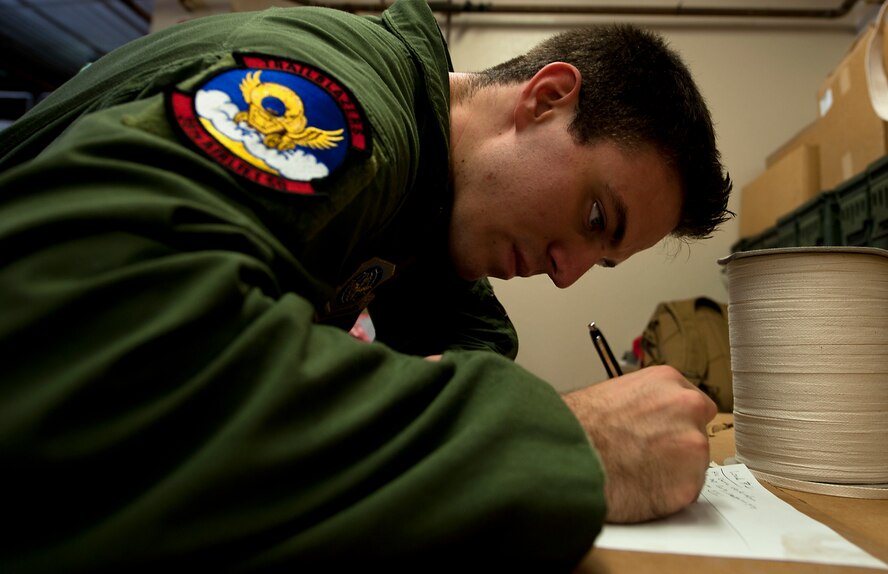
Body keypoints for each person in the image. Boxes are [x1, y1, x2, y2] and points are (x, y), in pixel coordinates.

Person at [0, 0, 732, 570]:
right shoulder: (339, 100)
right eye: (595, 215)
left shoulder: (422, 212)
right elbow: (86, 342)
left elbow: (465, 336)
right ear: (544, 99)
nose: (567, 274)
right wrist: (570, 443)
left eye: (600, 262)